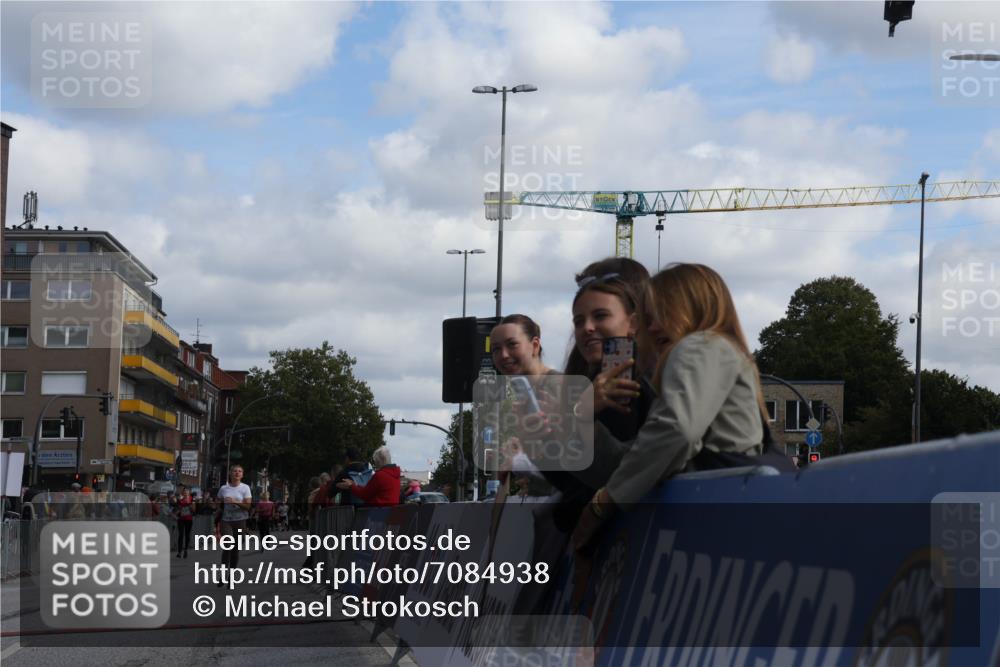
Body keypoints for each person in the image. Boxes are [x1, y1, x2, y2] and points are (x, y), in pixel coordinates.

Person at [573, 263, 771, 549]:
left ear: (692, 306)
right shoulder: (719, 350)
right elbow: (644, 452)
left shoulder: (697, 346)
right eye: (648, 317)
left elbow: (676, 430)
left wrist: (604, 503)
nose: (651, 328)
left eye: (660, 314)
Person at [217, 464, 252, 583]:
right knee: (228, 545)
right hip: (226, 521)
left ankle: (231, 576)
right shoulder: (223, 489)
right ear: (230, 474)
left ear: (242, 475)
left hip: (240, 521)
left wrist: (235, 502)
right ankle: (222, 574)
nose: (237, 473)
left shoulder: (245, 488)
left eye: (239, 471)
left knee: (235, 549)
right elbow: (219, 504)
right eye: (234, 471)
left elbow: (247, 506)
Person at [336, 446, 400, 507]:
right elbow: (369, 490)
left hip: (377, 513)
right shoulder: (396, 476)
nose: (375, 464)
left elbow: (364, 495)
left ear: (379, 461)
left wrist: (351, 486)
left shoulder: (380, 475)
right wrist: (354, 485)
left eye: (375, 461)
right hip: (390, 513)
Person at [174, 485, 195, 558]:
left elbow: (194, 510)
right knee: (181, 534)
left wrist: (190, 505)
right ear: (183, 493)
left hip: (189, 519)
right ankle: (179, 552)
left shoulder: (192, 499)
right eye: (184, 492)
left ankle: (185, 549)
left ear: (189, 493)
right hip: (181, 519)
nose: (185, 493)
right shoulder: (180, 500)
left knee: (187, 535)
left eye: (187, 492)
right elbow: (177, 509)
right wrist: (178, 510)